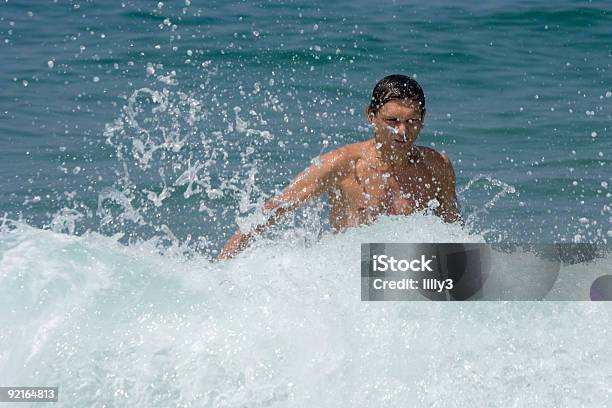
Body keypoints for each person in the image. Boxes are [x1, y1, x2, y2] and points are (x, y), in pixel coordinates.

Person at [218, 74, 461, 259]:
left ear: (423, 120)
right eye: (392, 121)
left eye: (412, 121)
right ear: (371, 116)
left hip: (405, 274)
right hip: (350, 275)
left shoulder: (437, 166)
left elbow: (452, 230)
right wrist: (222, 265)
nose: (403, 132)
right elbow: (276, 208)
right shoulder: (343, 164)